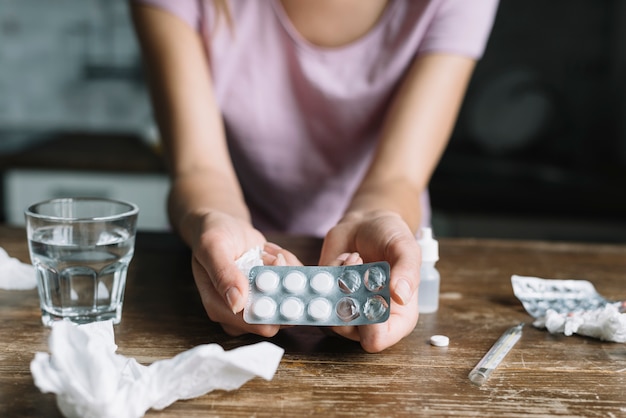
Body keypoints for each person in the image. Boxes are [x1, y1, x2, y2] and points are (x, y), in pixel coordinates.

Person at [130, 0, 499, 352]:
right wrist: (213, 223)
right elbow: (198, 168)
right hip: (228, 254)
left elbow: (398, 178)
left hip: (371, 250)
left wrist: (372, 220)